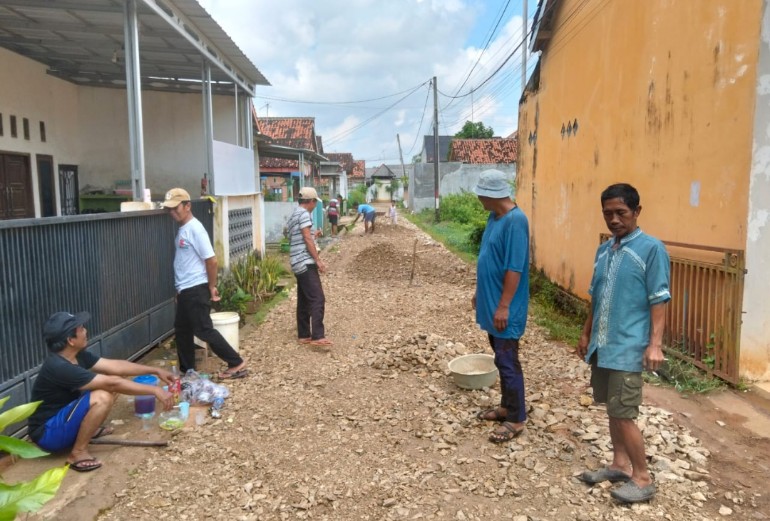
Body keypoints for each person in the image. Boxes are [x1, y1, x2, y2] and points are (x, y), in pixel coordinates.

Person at [576, 183, 670, 504]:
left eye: (621, 213)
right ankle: (619, 464)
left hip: (628, 348)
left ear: (637, 212)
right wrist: (586, 333)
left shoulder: (651, 249)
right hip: (603, 346)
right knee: (612, 409)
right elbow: (596, 296)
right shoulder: (604, 250)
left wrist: (654, 345)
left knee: (624, 412)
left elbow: (659, 300)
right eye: (608, 213)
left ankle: (641, 478)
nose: (614, 219)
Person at [27, 311, 175, 472]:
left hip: (63, 417)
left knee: (112, 379)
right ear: (70, 340)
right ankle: (78, 453)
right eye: (81, 329)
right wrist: (154, 390)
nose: (85, 331)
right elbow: (112, 384)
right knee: (103, 395)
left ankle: (88, 428)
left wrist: (155, 370)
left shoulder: (77, 355)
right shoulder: (59, 367)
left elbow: (116, 366)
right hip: (47, 434)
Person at [470, 169, 530, 444]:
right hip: (491, 301)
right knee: (500, 356)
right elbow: (488, 258)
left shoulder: (516, 221)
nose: (480, 199)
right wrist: (479, 292)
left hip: (505, 306)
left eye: (482, 194)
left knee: (507, 361)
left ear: (491, 195)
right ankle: (507, 406)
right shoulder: (494, 217)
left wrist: (504, 306)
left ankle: (516, 419)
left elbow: (514, 268)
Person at [161, 188, 247, 379]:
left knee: (203, 329)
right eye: (170, 209)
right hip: (186, 289)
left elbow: (211, 260)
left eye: (176, 208)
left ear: (187, 206)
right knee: (182, 330)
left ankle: (236, 362)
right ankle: (188, 370)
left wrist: (211, 286)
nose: (172, 212)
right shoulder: (184, 229)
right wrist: (180, 290)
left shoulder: (195, 229)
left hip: (196, 288)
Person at [287, 186, 332, 347]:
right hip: (305, 261)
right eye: (315, 203)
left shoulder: (294, 214)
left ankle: (304, 334)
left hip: (296, 261)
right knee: (318, 298)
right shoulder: (305, 214)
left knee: (304, 298)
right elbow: (306, 238)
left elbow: (296, 236)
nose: (315, 206)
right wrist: (318, 260)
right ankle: (318, 335)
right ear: (311, 201)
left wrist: (314, 235)